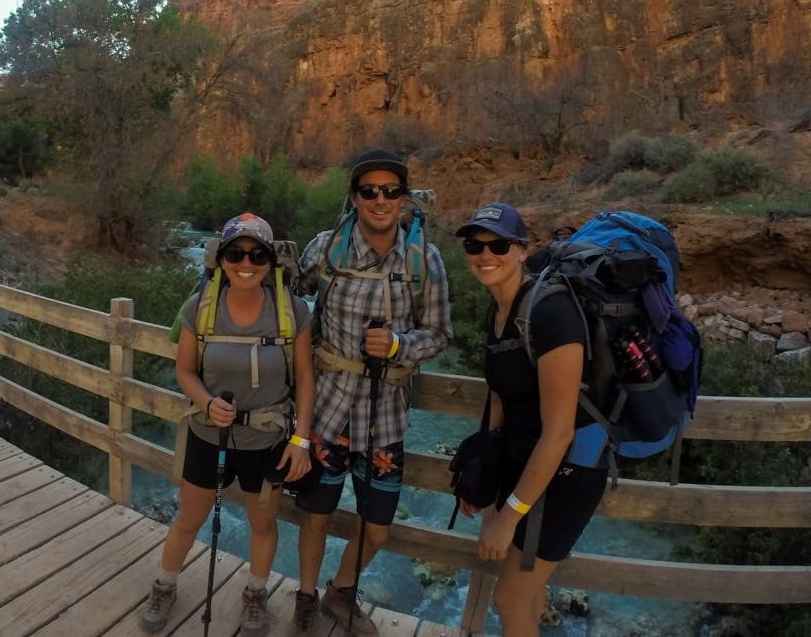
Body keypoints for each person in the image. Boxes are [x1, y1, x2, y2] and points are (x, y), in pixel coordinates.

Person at [291, 148, 452, 635]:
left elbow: (441, 333)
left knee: (377, 525)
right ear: (355, 197)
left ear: (404, 199)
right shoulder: (325, 248)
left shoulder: (425, 259)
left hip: (385, 417)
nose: (381, 200)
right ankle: (304, 596)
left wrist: (400, 344)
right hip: (326, 409)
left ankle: (341, 592)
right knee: (316, 514)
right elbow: (289, 292)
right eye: (369, 191)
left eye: (391, 191)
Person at [139, 213, 315, 637]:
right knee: (188, 518)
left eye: (258, 255)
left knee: (261, 523)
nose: (246, 263)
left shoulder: (292, 312)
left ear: (272, 261)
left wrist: (301, 440)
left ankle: (255, 595)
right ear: (221, 259)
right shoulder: (199, 307)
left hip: (269, 440)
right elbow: (184, 371)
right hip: (208, 433)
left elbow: (307, 377)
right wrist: (206, 402)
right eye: (235, 253)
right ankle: (164, 585)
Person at [454, 203, 607, 637]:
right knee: (527, 593)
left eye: (498, 244)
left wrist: (507, 519)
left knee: (510, 597)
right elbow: (502, 394)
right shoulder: (499, 310)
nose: (485, 254)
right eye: (474, 245)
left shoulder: (551, 313)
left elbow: (559, 432)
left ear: (523, 251)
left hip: (571, 467)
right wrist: (482, 471)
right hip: (526, 459)